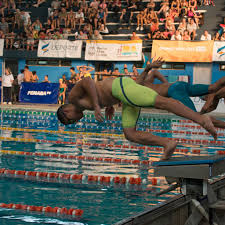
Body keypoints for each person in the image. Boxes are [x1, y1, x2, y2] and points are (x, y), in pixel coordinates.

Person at [57, 60, 217, 160]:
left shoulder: (72, 98)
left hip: (120, 88)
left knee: (163, 103)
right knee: (130, 133)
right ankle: (167, 143)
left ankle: (201, 119)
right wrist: (109, 104)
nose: (76, 121)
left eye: (71, 120)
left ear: (66, 112)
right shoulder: (83, 106)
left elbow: (87, 81)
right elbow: (99, 92)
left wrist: (98, 105)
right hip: (123, 95)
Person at [139, 68, 225, 128]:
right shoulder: (146, 81)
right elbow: (154, 72)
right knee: (213, 87)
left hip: (174, 90)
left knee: (197, 118)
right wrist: (166, 83)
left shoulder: (139, 88)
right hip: (178, 84)